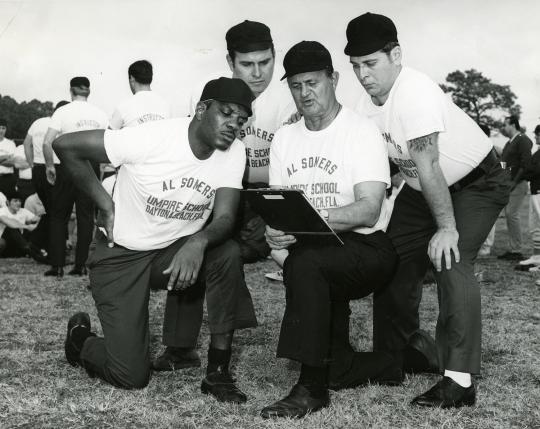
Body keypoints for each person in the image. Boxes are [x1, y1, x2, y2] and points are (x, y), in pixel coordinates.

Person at [56, 77, 258, 403]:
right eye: (226, 113)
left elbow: (224, 218)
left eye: (241, 120)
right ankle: (81, 342)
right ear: (201, 109)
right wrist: (103, 202)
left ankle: (215, 369)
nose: (233, 125)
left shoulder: (234, 152)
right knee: (131, 376)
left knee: (225, 252)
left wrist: (197, 242)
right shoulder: (154, 136)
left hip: (171, 252)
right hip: (121, 253)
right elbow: (65, 146)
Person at [346, 12, 512, 408]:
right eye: (355, 66)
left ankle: (459, 380)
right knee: (390, 254)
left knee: (450, 260)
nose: (364, 75)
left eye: (371, 63)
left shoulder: (414, 91)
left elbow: (429, 163)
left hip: (475, 183)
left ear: (396, 55)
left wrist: (448, 227)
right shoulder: (364, 104)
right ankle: (399, 354)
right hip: (424, 189)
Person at [260, 41, 400, 419]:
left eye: (313, 82)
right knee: (340, 367)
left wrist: (308, 221)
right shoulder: (284, 139)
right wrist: (278, 231)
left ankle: (310, 387)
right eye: (295, 86)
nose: (304, 93)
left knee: (303, 264)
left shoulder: (361, 130)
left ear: (333, 79)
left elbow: (370, 210)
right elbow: (280, 207)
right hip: (316, 250)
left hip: (368, 250)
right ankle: (399, 360)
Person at [153, 19, 294, 372]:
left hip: (274, 188)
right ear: (230, 62)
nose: (258, 72)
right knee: (197, 245)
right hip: (219, 184)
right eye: (247, 64)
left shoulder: (289, 95)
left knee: (298, 254)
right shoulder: (210, 93)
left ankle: (304, 343)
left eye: (265, 61)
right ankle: (180, 347)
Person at [42, 77, 108, 278]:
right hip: (90, 166)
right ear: (89, 91)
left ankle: (57, 265)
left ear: (71, 91)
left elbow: (47, 143)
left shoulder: (63, 111)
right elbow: (107, 142)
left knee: (58, 216)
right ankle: (81, 265)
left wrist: (50, 166)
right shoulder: (99, 113)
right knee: (86, 217)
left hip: (67, 166)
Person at [23, 100, 70, 254]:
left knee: (51, 211)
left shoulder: (38, 122)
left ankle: (45, 246)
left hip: (37, 168)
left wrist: (31, 164)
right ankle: (43, 245)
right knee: (57, 212)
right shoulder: (62, 124)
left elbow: (26, 144)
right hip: (54, 168)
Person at [497, 115, 533, 260]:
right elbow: (503, 162)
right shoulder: (508, 143)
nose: (503, 127)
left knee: (512, 214)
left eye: (505, 124)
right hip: (508, 183)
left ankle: (517, 250)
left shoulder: (523, 140)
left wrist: (514, 182)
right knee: (509, 215)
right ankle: (513, 248)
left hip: (518, 184)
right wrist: (501, 175)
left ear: (513, 125)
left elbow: (525, 164)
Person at [110, 59, 171, 130]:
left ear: (132, 78)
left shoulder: (123, 107)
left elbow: (108, 135)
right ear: (151, 77)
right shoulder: (166, 105)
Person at [0, 190, 47, 262]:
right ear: (8, 202)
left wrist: (42, 218)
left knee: (39, 226)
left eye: (19, 201)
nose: (18, 203)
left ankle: (43, 251)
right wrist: (27, 226)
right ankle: (35, 254)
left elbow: (37, 220)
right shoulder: (2, 211)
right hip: (4, 246)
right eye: (15, 201)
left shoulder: (23, 211)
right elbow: (9, 222)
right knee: (11, 229)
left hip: (18, 246)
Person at [517, 124, 540, 268]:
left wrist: (528, 170)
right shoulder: (537, 152)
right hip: (535, 191)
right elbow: (529, 170)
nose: (536, 136)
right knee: (535, 226)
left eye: (538, 134)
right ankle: (537, 256)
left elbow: (532, 170)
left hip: (539, 192)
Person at [0, 118, 17, 196]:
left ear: (6, 129)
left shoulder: (10, 144)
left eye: (3, 128)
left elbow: (13, 162)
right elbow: (9, 159)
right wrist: (5, 156)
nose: (1, 131)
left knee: (7, 203)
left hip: (7, 179)